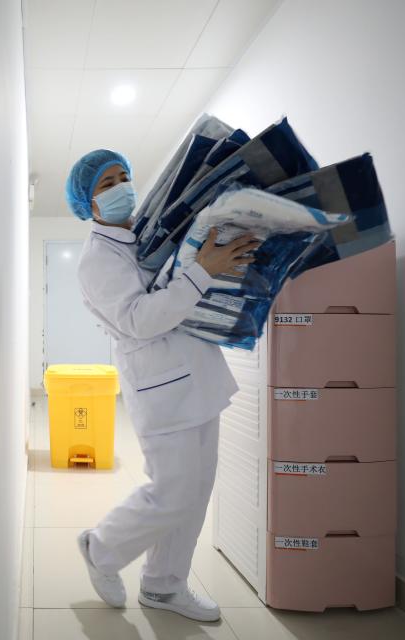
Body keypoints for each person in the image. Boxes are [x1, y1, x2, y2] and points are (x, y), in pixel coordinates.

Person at [65, 149, 260, 622]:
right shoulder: (96, 259)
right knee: (172, 490)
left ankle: (164, 586)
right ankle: (102, 548)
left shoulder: (141, 239)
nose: (121, 187)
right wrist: (203, 270)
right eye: (107, 183)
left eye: (125, 176)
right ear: (88, 203)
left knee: (195, 492)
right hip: (161, 388)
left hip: (198, 374)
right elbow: (139, 319)